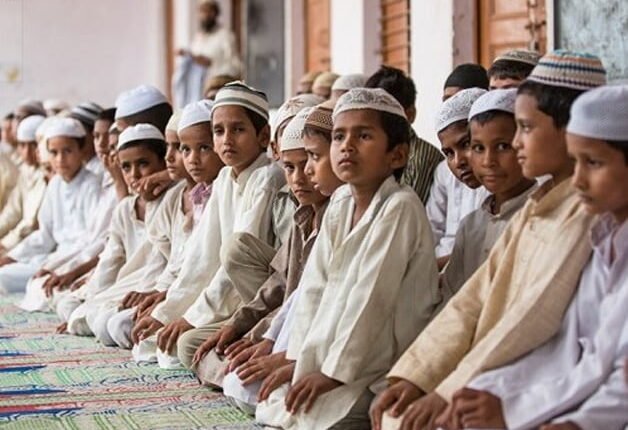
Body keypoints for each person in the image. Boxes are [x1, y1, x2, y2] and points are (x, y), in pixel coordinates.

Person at [370, 49, 607, 430]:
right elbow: (473, 298)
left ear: (569, 130)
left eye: (525, 129)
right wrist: (417, 375)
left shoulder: (583, 213)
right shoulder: (540, 204)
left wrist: (448, 391)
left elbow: (531, 318)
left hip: (540, 381)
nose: (517, 144)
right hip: (494, 368)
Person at [439, 84, 628, 430]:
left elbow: (614, 377)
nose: (579, 180)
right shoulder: (603, 240)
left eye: (594, 163)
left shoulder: (582, 227)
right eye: (577, 162)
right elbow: (570, 352)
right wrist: (491, 392)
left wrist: (564, 421)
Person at [256, 88, 440, 429]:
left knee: (314, 416)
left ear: (397, 155)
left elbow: (371, 300)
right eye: (339, 136)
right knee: (266, 398)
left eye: (364, 136)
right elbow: (314, 291)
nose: (347, 146)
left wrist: (332, 374)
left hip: (382, 358)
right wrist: (299, 360)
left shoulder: (400, 207)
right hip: (331, 351)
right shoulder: (340, 202)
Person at [61, 124, 168, 336]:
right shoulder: (125, 208)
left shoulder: (170, 201)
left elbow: (161, 263)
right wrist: (90, 295)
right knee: (68, 307)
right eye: (126, 167)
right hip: (126, 284)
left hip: (154, 284)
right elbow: (110, 260)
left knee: (109, 326)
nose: (134, 174)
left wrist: (145, 291)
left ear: (162, 163)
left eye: (143, 164)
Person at [440, 89, 536, 297]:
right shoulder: (471, 226)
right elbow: (451, 296)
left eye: (502, 146)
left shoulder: (539, 216)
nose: (488, 161)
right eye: (478, 148)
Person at [0, 118, 100, 295]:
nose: (60, 159)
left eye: (67, 151)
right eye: (54, 152)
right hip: (54, 257)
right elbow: (44, 235)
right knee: (4, 275)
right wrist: (12, 256)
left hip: (78, 262)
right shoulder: (55, 184)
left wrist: (57, 267)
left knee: (42, 288)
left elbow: (91, 242)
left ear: (82, 149)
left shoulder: (93, 185)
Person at [427, 88, 489, 268]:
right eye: (448, 153)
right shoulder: (471, 223)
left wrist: (427, 271)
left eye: (466, 144)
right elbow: (431, 229)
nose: (458, 161)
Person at [365, 66, 444, 204]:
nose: (375, 121)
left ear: (410, 114)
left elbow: (402, 208)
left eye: (386, 116)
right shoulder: (371, 151)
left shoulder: (419, 158)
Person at [174, 0, 241, 106]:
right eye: (202, 11)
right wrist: (188, 56)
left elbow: (236, 67)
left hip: (216, 95)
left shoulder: (225, 36)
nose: (205, 15)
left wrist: (211, 65)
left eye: (208, 11)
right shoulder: (198, 39)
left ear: (215, 13)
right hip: (196, 97)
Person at [0, 116, 47, 255]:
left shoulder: (47, 174)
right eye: (22, 145)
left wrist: (5, 243)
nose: (27, 152)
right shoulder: (27, 170)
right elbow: (12, 212)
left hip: (32, 244)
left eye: (33, 145)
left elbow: (30, 223)